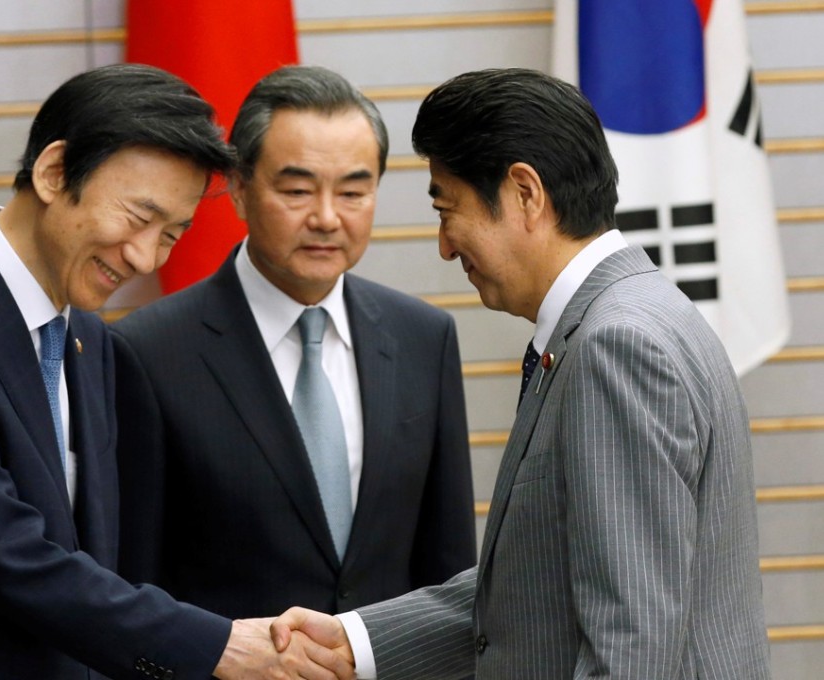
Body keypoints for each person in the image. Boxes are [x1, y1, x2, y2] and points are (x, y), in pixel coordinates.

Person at [0, 64, 352, 680]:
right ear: (54, 171)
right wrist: (214, 645)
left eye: (171, 234)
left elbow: (97, 563)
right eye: (138, 218)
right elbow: (8, 555)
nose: (145, 257)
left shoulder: (87, 336)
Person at [271, 68, 771, 679]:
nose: (445, 247)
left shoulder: (617, 347)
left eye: (447, 209)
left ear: (525, 193)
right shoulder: (633, 315)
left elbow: (631, 647)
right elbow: (542, 578)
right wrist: (356, 640)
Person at [111, 65, 476, 621]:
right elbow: (134, 581)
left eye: (353, 191)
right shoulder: (147, 351)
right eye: (298, 190)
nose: (326, 218)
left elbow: (447, 569)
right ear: (238, 188)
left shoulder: (424, 336)